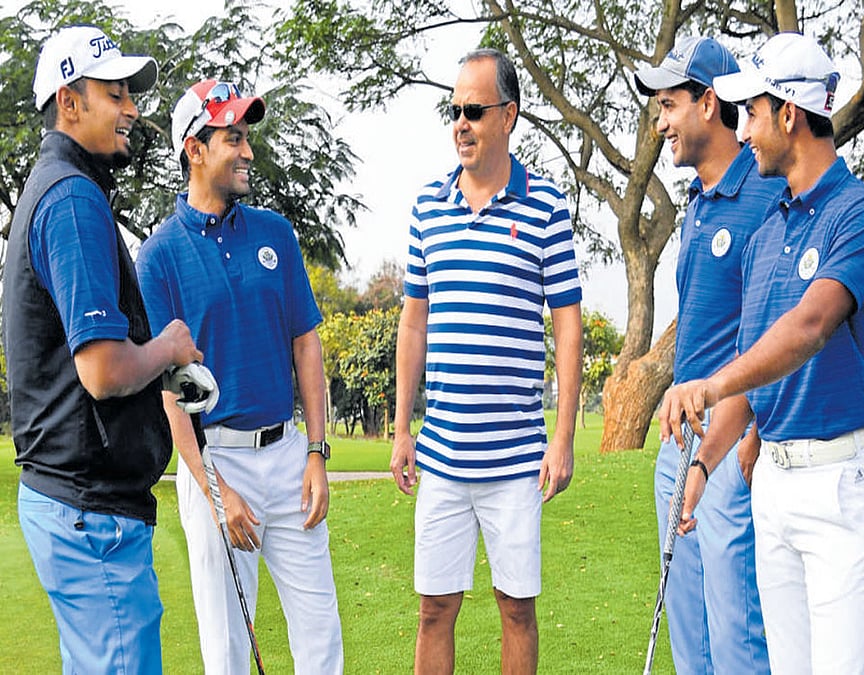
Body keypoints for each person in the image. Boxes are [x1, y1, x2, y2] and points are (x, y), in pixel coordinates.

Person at [659, 32, 864, 674]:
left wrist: (707, 386)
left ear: (789, 114)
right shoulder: (767, 234)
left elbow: (810, 326)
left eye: (753, 113)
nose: (744, 131)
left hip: (838, 483)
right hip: (773, 484)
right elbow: (752, 372)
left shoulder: (861, 214)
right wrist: (703, 466)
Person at [3, 25, 204, 673]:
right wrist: (167, 347)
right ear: (69, 102)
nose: (132, 109)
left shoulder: (59, 188)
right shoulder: (71, 199)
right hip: (89, 510)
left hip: (74, 504)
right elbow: (102, 368)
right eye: (114, 94)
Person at [135, 79, 343, 673]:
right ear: (194, 150)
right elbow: (171, 392)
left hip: (289, 457)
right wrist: (214, 489)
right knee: (227, 652)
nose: (248, 151)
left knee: (322, 639)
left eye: (247, 137)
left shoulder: (275, 233)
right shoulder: (159, 256)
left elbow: (306, 343)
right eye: (233, 138)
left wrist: (317, 453)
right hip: (215, 463)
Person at [389, 48, 583, 674]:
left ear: (509, 116)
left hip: (517, 460)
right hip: (442, 457)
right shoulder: (427, 208)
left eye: (474, 111)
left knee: (517, 610)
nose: (461, 124)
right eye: (454, 111)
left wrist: (563, 438)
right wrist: (401, 429)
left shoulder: (547, 207)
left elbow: (568, 325)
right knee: (433, 610)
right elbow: (413, 322)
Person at [634, 36, 780, 673]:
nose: (660, 123)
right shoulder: (696, 204)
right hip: (679, 444)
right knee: (689, 640)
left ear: (710, 102)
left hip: (730, 439)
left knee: (735, 638)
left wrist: (753, 430)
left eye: (669, 106)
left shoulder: (767, 194)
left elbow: (779, 332)